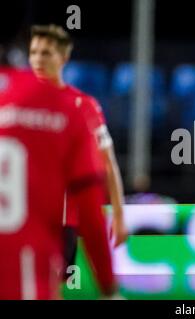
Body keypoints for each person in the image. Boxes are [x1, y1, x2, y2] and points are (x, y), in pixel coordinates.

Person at [0, 68, 116, 299]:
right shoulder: (61, 108)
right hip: (30, 266)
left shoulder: (78, 104)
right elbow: (92, 204)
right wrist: (108, 287)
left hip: (59, 222)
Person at [28, 25, 127, 274]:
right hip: (19, 218)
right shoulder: (15, 102)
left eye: (46, 53)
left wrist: (118, 213)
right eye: (34, 52)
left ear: (64, 58)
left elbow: (108, 162)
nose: (38, 59)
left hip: (62, 223)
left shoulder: (83, 105)